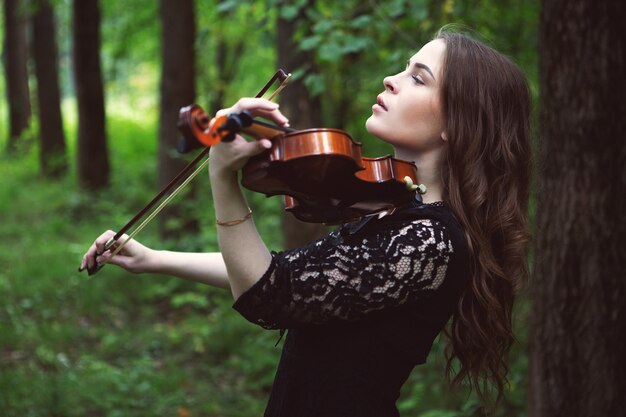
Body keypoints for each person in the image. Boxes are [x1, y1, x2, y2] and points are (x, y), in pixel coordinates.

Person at [80, 28, 531, 416]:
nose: (391, 80)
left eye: (417, 78)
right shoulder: (396, 212)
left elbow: (271, 294)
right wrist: (154, 258)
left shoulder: (430, 239)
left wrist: (223, 176)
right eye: (402, 68)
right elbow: (284, 272)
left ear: (456, 121)